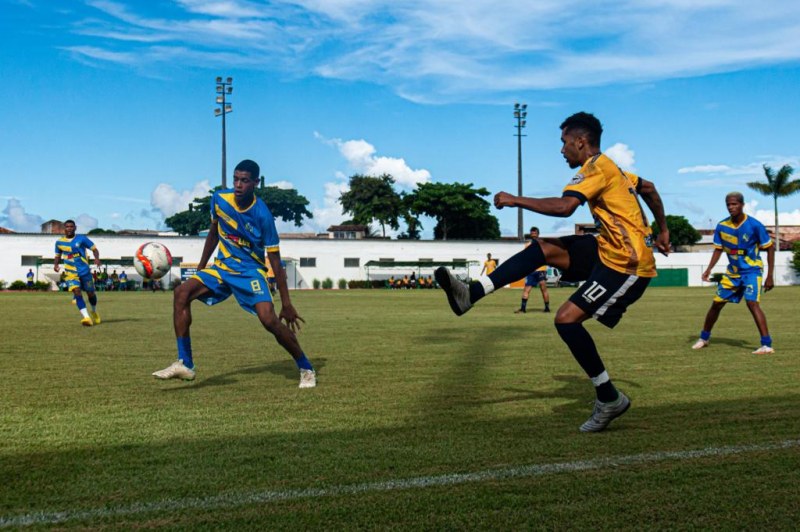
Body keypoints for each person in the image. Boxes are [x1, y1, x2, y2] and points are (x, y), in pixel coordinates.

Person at [435, 112, 669, 432]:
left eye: (564, 142)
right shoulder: (614, 169)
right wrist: (662, 230)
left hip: (627, 264)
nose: (561, 149)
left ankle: (609, 398)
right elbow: (650, 188)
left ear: (580, 141)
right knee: (543, 248)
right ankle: (472, 293)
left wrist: (515, 199)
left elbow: (564, 207)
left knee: (566, 319)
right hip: (607, 249)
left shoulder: (596, 169)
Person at [152, 159, 316, 388]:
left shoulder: (263, 215)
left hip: (250, 272)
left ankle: (306, 368)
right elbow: (213, 233)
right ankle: (185, 363)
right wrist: (201, 267)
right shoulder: (219, 199)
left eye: (244, 181)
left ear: (255, 183)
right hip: (222, 268)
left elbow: (275, 262)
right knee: (181, 293)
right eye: (235, 179)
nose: (238, 185)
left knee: (269, 320)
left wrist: (286, 303)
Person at [691, 192, 775, 355]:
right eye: (728, 204)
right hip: (733, 273)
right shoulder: (722, 226)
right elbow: (718, 249)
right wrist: (709, 269)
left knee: (752, 303)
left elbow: (770, 248)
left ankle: (766, 345)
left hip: (752, 271)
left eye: (734, 204)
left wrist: (770, 276)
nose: (731, 207)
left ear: (742, 205)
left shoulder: (754, 225)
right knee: (716, 304)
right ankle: (704, 338)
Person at [53, 220, 102, 326]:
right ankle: (86, 317)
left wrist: (97, 258)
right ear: (64, 228)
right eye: (67, 227)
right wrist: (56, 265)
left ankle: (94, 311)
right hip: (71, 273)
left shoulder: (82, 239)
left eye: (71, 226)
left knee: (91, 294)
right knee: (77, 292)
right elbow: (57, 256)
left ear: (75, 228)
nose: (69, 228)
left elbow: (94, 249)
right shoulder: (59, 242)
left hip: (84, 271)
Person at [515, 227, 551, 313]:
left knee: (543, 288)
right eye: (532, 233)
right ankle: (523, 309)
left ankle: (547, 308)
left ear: (538, 234)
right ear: (530, 234)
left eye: (535, 233)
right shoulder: (528, 245)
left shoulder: (543, 244)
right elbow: (525, 257)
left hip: (541, 269)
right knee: (527, 289)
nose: (533, 235)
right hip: (531, 270)